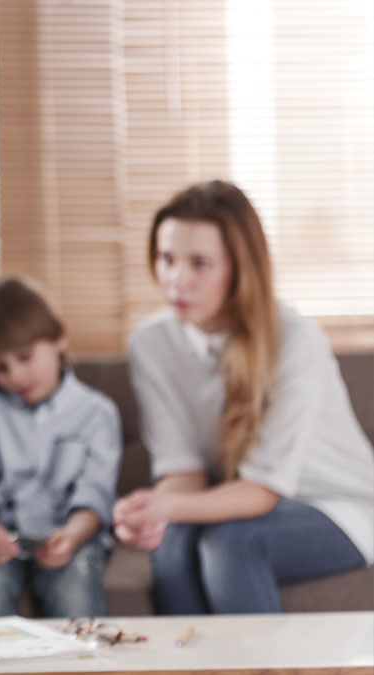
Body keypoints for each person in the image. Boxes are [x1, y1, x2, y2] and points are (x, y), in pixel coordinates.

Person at [113, 180, 374, 614]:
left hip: (339, 507)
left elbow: (261, 492)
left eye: (200, 263)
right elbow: (184, 470)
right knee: (173, 545)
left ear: (239, 268)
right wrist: (152, 513)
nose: (177, 280)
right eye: (166, 259)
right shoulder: (151, 343)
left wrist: (167, 504)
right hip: (235, 502)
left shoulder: (294, 339)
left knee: (233, 543)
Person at [0, 278, 122, 619]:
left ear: (59, 338)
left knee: (76, 590)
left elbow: (95, 494)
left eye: (25, 357)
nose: (15, 376)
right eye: (0, 368)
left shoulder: (96, 413)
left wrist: (71, 536)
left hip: (71, 535)